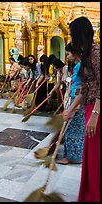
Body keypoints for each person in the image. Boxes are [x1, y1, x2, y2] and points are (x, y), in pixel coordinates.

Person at [64, 17, 100, 202]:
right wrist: (71, 108)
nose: (70, 40)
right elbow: (84, 89)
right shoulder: (86, 55)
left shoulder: (95, 53)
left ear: (79, 34)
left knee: (96, 158)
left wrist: (95, 114)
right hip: (88, 107)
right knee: (90, 157)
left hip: (97, 111)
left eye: (71, 35)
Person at [57, 42, 85, 165]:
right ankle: (74, 155)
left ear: (74, 53)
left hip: (78, 101)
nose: (67, 57)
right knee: (74, 128)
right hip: (76, 99)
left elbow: (82, 86)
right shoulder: (79, 65)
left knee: (73, 129)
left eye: (68, 54)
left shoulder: (80, 66)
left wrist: (76, 104)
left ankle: (73, 156)